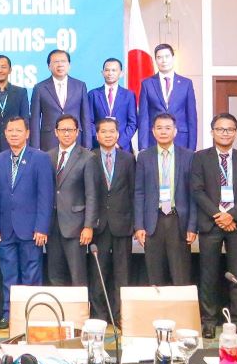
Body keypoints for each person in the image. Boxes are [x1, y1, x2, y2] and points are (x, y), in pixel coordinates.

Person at [191, 113, 237, 338]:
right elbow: (197, 190)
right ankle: (208, 321)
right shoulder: (200, 157)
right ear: (212, 132)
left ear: (235, 132)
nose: (225, 133)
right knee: (208, 275)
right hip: (211, 223)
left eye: (229, 129)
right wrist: (219, 215)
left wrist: (232, 215)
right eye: (220, 129)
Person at [0, 117, 52, 330]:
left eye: (18, 130)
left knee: (31, 275)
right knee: (8, 275)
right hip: (5, 228)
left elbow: (45, 195)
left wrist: (42, 227)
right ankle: (9, 315)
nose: (14, 134)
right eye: (10, 131)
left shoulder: (40, 158)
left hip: (31, 229)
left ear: (27, 133)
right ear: (5, 134)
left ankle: (32, 315)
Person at [133, 113, 197, 286]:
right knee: (155, 276)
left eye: (168, 128)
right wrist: (139, 225)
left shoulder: (188, 156)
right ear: (153, 131)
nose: (163, 132)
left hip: (179, 221)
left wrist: (192, 226)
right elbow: (139, 192)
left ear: (175, 131)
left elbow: (193, 194)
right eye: (159, 128)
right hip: (153, 222)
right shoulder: (144, 157)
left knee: (180, 275)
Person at [89, 117, 135, 325]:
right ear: (97, 135)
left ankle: (119, 315)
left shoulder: (128, 159)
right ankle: (99, 315)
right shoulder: (90, 157)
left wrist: (135, 223)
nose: (108, 135)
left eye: (112, 131)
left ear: (118, 134)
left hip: (122, 223)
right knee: (98, 272)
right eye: (104, 132)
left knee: (122, 273)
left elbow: (134, 192)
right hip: (98, 225)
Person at [46, 114, 97, 287]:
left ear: (77, 132)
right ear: (56, 132)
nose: (66, 133)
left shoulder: (87, 157)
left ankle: (81, 306)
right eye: (63, 130)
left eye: (70, 130)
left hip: (76, 226)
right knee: (55, 275)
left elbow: (91, 194)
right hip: (53, 225)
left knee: (77, 276)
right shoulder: (48, 156)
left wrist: (88, 226)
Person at [137, 44, 198, 150]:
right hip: (154, 140)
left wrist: (192, 147)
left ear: (173, 58)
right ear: (155, 60)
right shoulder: (147, 84)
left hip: (181, 139)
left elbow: (191, 117)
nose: (163, 60)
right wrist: (143, 146)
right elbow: (143, 118)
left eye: (167, 56)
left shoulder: (186, 83)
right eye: (159, 57)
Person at [31, 49, 87, 152]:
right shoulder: (40, 88)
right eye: (56, 62)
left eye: (63, 61)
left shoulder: (80, 86)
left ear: (69, 65)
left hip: (75, 138)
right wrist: (35, 146)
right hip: (49, 140)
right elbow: (35, 119)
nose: (60, 65)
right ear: (49, 66)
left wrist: (87, 144)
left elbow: (85, 117)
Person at [84, 58, 138, 150]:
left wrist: (119, 143)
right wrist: (100, 139)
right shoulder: (93, 94)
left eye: (114, 70)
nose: (110, 73)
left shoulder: (129, 95)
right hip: (98, 147)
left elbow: (133, 123)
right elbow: (89, 121)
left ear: (121, 73)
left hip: (122, 148)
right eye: (107, 70)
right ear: (102, 73)